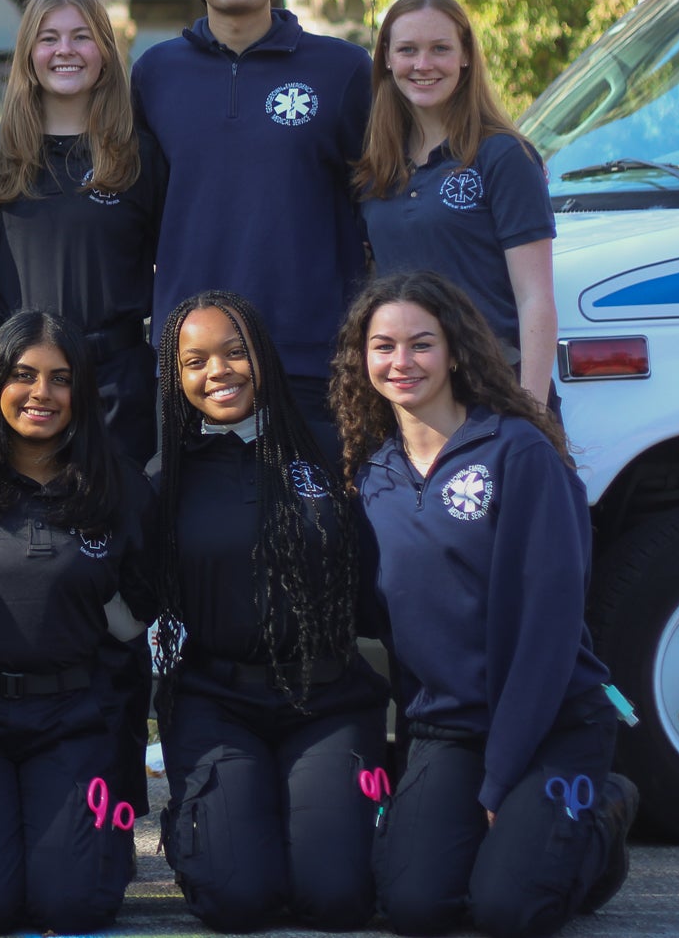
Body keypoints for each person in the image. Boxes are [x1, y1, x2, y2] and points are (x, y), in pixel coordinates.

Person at [332, 271, 635, 938]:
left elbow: (546, 630)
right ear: (363, 359)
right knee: (415, 906)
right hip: (450, 728)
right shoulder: (374, 474)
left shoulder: (518, 453)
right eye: (383, 345)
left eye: (421, 343)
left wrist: (501, 777)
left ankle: (603, 817)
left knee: (510, 911)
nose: (401, 361)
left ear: (457, 350)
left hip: (549, 718)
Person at [150, 289, 387, 932]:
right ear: (176, 378)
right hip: (217, 702)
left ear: (264, 355)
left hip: (328, 699)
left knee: (337, 900)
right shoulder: (164, 478)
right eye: (195, 362)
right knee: (237, 902)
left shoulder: (333, 450)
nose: (217, 372)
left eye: (234, 353)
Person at [0, 312, 151, 936]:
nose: (41, 393)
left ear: (82, 390)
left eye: (60, 379)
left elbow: (140, 604)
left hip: (72, 719)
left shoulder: (117, 486)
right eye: (23, 375)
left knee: (73, 906)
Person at [132, 0, 371, 458]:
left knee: (319, 538)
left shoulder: (342, 71)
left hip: (311, 358)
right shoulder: (154, 73)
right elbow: (140, 214)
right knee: (196, 539)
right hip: (194, 365)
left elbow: (378, 210)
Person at [0, 0, 163, 468]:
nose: (65, 50)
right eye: (48, 38)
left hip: (114, 385)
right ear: (28, 55)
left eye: (81, 36)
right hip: (15, 384)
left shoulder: (140, 156)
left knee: (118, 532)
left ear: (105, 50)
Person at [355, 0, 557, 404]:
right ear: (387, 59)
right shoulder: (376, 167)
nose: (423, 65)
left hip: (495, 388)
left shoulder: (503, 155)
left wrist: (531, 408)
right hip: (412, 395)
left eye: (440, 49)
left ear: (465, 56)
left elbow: (535, 297)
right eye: (408, 50)